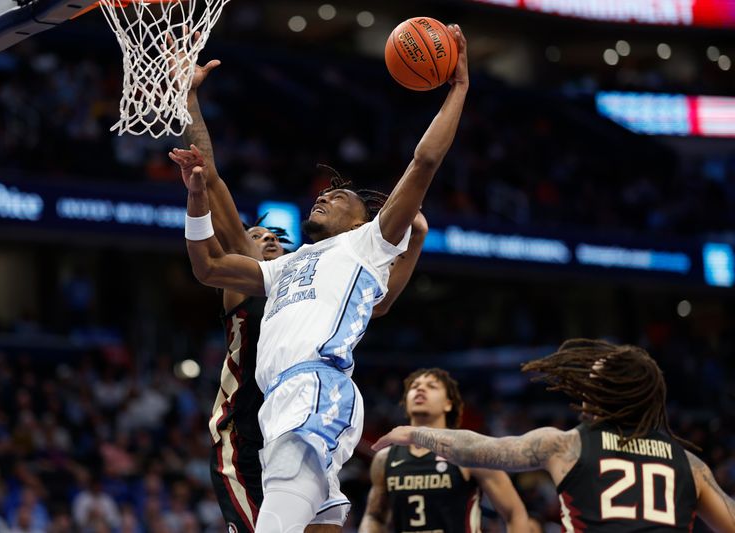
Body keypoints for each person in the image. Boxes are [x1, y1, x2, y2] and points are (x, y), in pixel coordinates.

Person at [176, 23, 469, 533]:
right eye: (323, 192)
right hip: (280, 405)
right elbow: (208, 267)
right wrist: (197, 201)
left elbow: (423, 161)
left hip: (313, 387)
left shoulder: (366, 244)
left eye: (340, 196)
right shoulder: (285, 265)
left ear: (363, 222)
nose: (324, 195)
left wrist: (459, 88)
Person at [373, 339, 735, 532]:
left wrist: (415, 433)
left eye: (591, 384)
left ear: (610, 395)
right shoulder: (689, 464)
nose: (581, 394)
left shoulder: (567, 445)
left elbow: (478, 449)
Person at [359, 368, 529, 532]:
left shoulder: (469, 452)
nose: (420, 389)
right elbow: (374, 517)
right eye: (414, 386)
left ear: (448, 403)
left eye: (431, 386)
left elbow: (514, 513)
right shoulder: (385, 458)